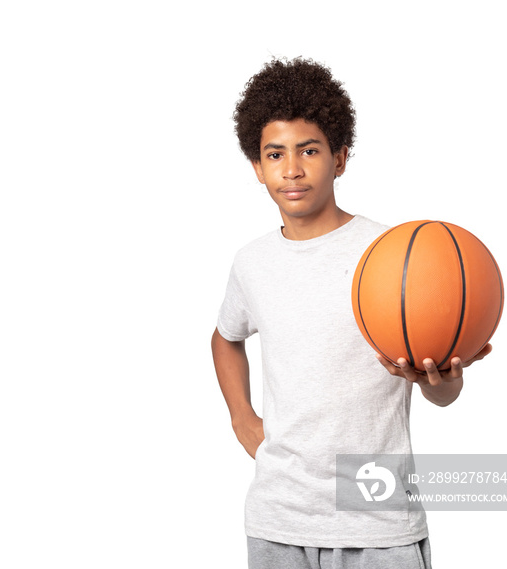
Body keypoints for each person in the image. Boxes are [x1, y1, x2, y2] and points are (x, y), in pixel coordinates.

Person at [210, 57, 491, 569]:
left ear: (340, 159)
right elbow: (225, 338)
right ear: (257, 166)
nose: (291, 169)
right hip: (278, 516)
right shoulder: (252, 263)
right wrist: (241, 418)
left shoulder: (391, 254)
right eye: (275, 154)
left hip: (376, 515)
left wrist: (440, 379)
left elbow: (444, 395)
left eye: (309, 151)